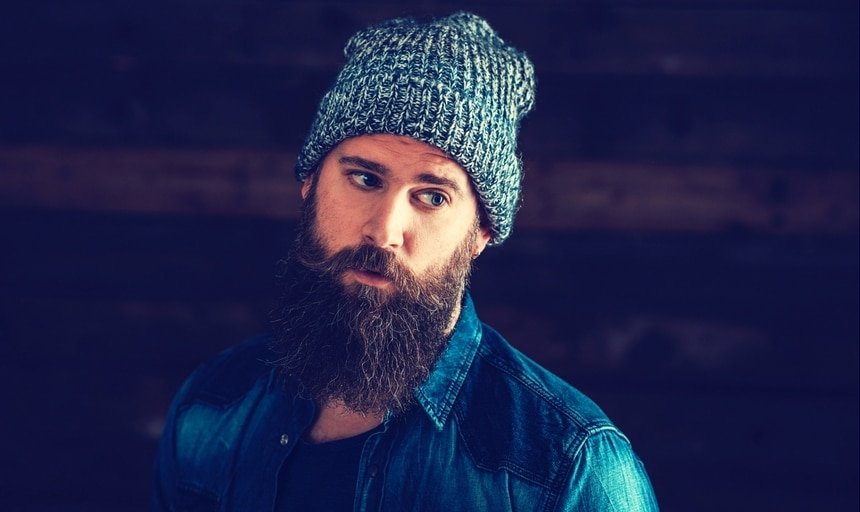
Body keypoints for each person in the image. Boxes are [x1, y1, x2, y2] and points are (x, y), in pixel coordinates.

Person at [152, 11, 659, 511]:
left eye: (433, 197)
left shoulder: (569, 468)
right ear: (310, 184)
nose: (384, 231)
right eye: (365, 180)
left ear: (480, 232)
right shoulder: (212, 404)